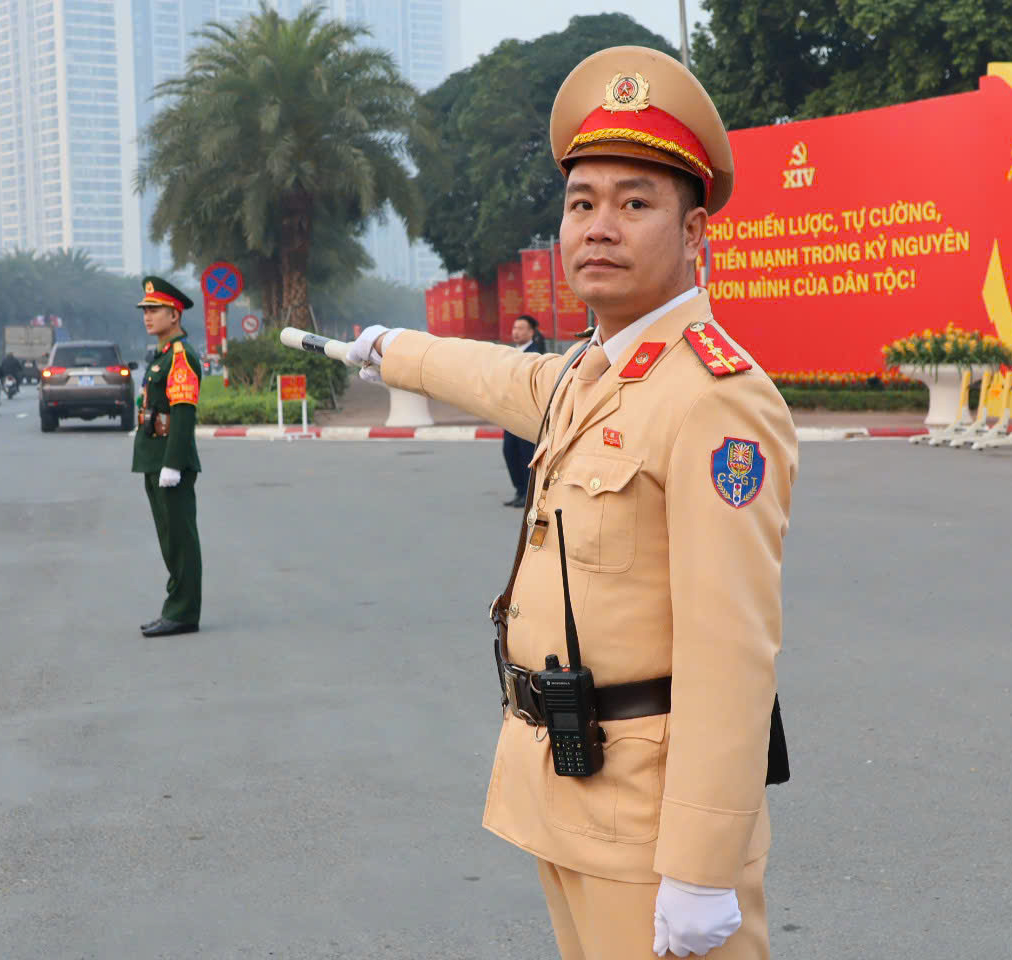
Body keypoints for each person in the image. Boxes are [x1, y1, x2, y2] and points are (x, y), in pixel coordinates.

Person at [345, 46, 797, 959]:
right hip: (569, 789)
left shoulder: (713, 396)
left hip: (650, 824)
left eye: (635, 203)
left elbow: (732, 650)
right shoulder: (592, 375)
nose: (599, 225)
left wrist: (702, 864)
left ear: (696, 231)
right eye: (581, 202)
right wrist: (391, 348)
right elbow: (497, 374)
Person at [132, 276, 203, 638]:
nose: (148, 316)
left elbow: (184, 412)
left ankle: (184, 611)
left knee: (180, 539)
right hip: (153, 456)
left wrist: (173, 463)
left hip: (168, 461)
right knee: (168, 539)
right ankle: (175, 607)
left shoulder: (180, 355)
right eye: (145, 310)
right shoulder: (161, 354)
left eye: (155, 310)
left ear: (174, 315)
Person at [502, 315, 546, 507]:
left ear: (531, 332)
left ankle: (528, 494)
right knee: (510, 451)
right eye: (514, 328)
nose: (516, 332)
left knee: (526, 454)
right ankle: (520, 490)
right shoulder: (512, 353)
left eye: (520, 328)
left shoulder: (535, 354)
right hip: (510, 412)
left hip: (526, 412)